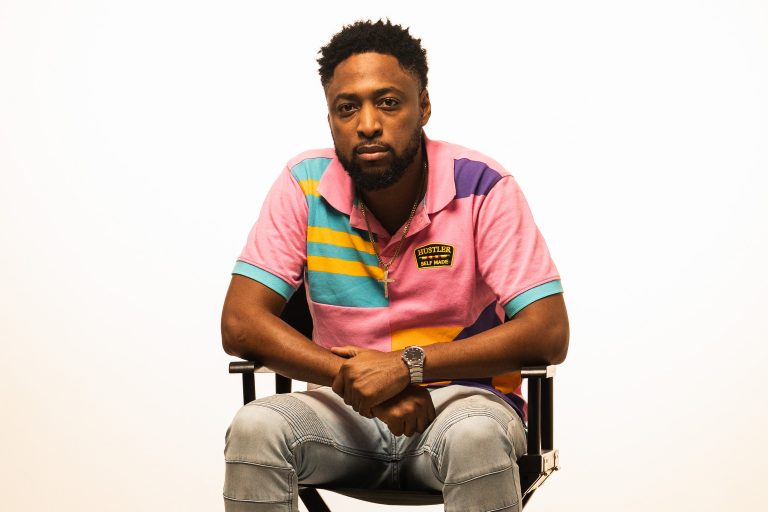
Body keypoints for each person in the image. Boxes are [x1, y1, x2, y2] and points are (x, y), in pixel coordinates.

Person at [221, 19, 569, 512]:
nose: (367, 124)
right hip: (342, 412)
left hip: (463, 407)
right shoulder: (304, 183)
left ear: (423, 106)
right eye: (347, 107)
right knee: (256, 426)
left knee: (476, 437)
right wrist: (362, 384)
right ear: (329, 119)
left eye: (387, 102)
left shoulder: (483, 186)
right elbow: (240, 323)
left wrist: (406, 367)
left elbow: (549, 331)